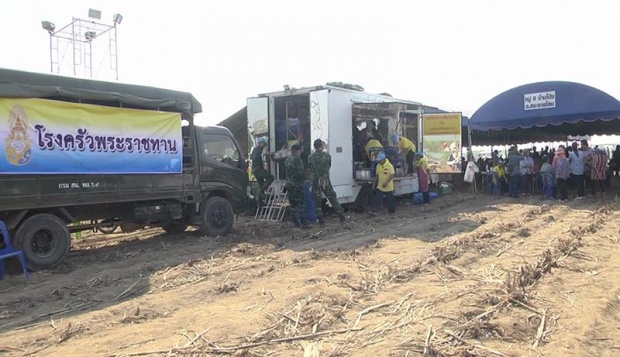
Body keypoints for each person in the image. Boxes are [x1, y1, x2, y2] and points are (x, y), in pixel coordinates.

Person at [308, 139, 346, 225]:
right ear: (321, 145)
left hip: (315, 180)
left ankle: (321, 220)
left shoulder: (310, 157)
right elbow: (329, 166)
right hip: (325, 180)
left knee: (317, 200)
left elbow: (310, 168)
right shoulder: (327, 156)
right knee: (332, 197)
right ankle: (341, 215)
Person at [285, 145, 310, 229]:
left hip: (289, 184)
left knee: (293, 204)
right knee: (301, 204)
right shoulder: (297, 160)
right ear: (298, 151)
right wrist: (305, 178)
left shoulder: (287, 159)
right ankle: (304, 223)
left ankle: (295, 223)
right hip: (297, 184)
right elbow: (300, 173)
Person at [251, 137, 274, 204]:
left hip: (256, 170)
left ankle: (260, 203)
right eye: (264, 144)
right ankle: (261, 194)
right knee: (270, 178)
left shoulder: (256, 150)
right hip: (258, 169)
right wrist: (265, 154)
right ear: (260, 143)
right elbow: (257, 157)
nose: (264, 146)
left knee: (262, 185)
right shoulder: (257, 150)